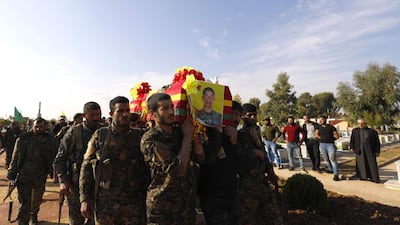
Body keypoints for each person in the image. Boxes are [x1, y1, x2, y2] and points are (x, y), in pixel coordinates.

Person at [79, 96, 148, 225]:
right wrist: (84, 198)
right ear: (111, 114)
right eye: (120, 111)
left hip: (134, 205)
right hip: (106, 205)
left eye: (127, 110)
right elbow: (86, 167)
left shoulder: (140, 136)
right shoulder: (100, 136)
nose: (125, 114)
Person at [141, 93, 204, 225]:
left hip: (186, 206)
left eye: (172, 107)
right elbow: (178, 170)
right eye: (164, 108)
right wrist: (187, 138)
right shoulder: (151, 138)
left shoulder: (179, 132)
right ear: (153, 114)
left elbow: (200, 159)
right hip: (163, 208)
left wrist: (196, 140)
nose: (171, 111)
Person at [198, 101, 247, 225]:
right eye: (234, 114)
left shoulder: (239, 136)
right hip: (212, 197)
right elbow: (208, 160)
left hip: (232, 195)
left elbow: (245, 166)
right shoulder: (207, 133)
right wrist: (218, 134)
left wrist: (235, 143)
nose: (236, 119)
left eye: (239, 115)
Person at [54, 102, 102, 225]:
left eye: (98, 114)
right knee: (76, 220)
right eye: (92, 115)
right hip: (75, 187)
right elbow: (59, 160)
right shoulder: (74, 132)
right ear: (84, 115)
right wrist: (63, 180)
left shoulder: (104, 132)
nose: (96, 118)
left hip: (99, 186)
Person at [7, 117, 58, 225]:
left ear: (46, 127)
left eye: (41, 127)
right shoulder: (23, 139)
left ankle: (33, 214)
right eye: (36, 127)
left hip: (40, 176)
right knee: (24, 203)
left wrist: (55, 173)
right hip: (24, 176)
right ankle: (23, 222)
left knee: (37, 200)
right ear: (32, 127)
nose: (38, 129)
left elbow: (55, 157)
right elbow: (15, 158)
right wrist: (11, 176)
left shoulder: (51, 139)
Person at [237, 103, 282, 225]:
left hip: (262, 178)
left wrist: (271, 171)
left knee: (272, 214)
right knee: (247, 216)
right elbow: (238, 155)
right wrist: (253, 152)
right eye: (249, 115)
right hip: (248, 181)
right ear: (243, 117)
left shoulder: (257, 130)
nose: (252, 118)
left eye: (254, 115)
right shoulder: (240, 134)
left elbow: (263, 152)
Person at [350, 119, 381, 183]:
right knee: (361, 164)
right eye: (359, 123)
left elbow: (377, 142)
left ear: (366, 123)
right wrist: (352, 147)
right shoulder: (355, 131)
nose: (360, 125)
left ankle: (374, 178)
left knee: (372, 164)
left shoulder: (372, 131)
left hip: (370, 150)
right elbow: (352, 140)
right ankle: (362, 177)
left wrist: (377, 151)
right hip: (359, 149)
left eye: (362, 123)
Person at [315, 115, 340, 181]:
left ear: (325, 120)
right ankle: (330, 169)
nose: (320, 121)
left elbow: (337, 136)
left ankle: (336, 174)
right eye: (319, 120)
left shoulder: (331, 127)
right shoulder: (318, 127)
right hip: (322, 145)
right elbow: (316, 134)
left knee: (333, 159)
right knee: (326, 159)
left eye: (322, 120)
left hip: (330, 145)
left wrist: (330, 139)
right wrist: (322, 139)